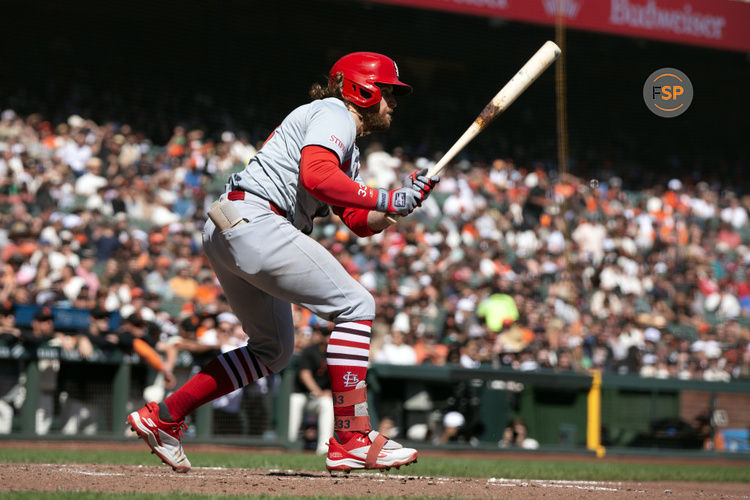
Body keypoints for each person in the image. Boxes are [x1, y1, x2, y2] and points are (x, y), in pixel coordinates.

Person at [127, 52, 439, 473]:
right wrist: (386, 197)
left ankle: (164, 417)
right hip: (258, 221)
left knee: (272, 351)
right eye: (387, 92)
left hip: (230, 225)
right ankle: (351, 437)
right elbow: (316, 177)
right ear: (360, 89)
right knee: (357, 306)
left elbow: (359, 222)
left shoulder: (342, 139)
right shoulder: (335, 113)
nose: (393, 102)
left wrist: (401, 203)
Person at [288, 322, 334, 455]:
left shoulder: (338, 355)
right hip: (303, 394)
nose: (329, 337)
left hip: (320, 399)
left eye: (332, 334)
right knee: (295, 401)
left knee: (327, 404)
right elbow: (305, 375)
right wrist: (319, 392)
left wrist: (329, 393)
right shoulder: (310, 350)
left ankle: (324, 448)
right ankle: (289, 444)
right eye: (326, 334)